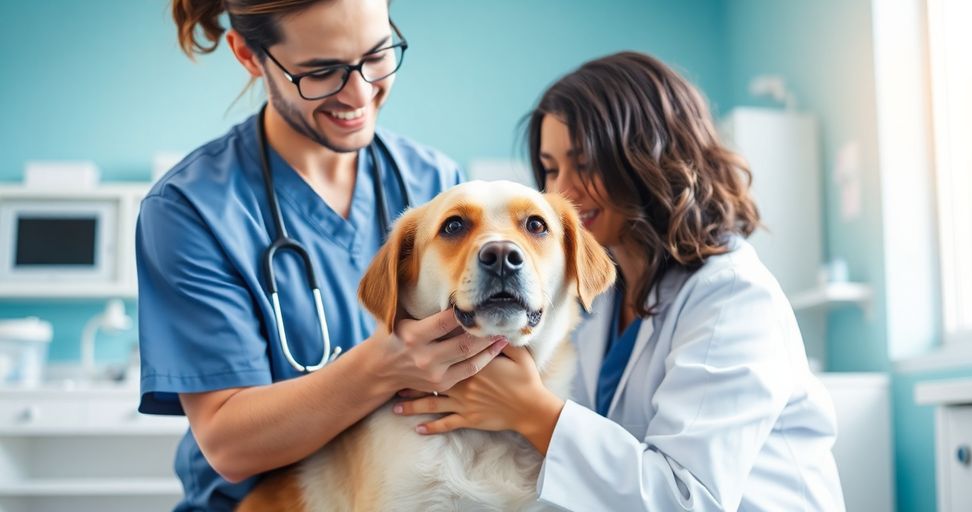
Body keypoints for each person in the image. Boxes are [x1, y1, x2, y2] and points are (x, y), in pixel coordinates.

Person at [394, 52, 847, 511]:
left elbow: (689, 501)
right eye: (550, 169)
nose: (562, 192)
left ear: (651, 160)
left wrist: (533, 412)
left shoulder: (732, 295)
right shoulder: (599, 292)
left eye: (585, 163)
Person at [136, 1, 507, 510]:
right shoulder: (192, 210)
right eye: (321, 72)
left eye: (377, 56)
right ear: (249, 54)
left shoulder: (435, 185)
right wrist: (386, 366)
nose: (359, 93)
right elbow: (229, 443)